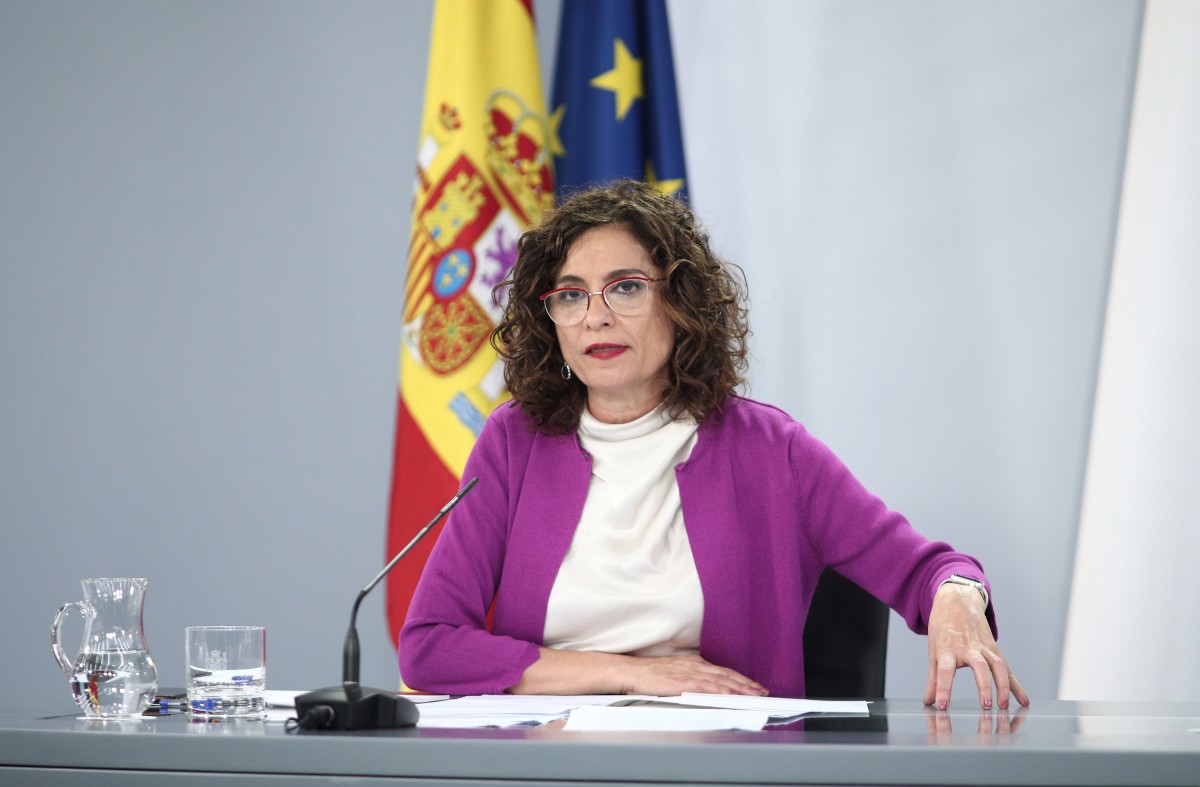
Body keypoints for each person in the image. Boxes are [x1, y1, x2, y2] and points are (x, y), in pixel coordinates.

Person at [400, 179, 1029, 710]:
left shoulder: (768, 450)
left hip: (715, 762)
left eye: (625, 287)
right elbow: (428, 646)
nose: (595, 316)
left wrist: (957, 599)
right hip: (547, 764)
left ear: (680, 301)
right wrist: (631, 673)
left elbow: (929, 570)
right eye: (570, 295)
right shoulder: (514, 443)